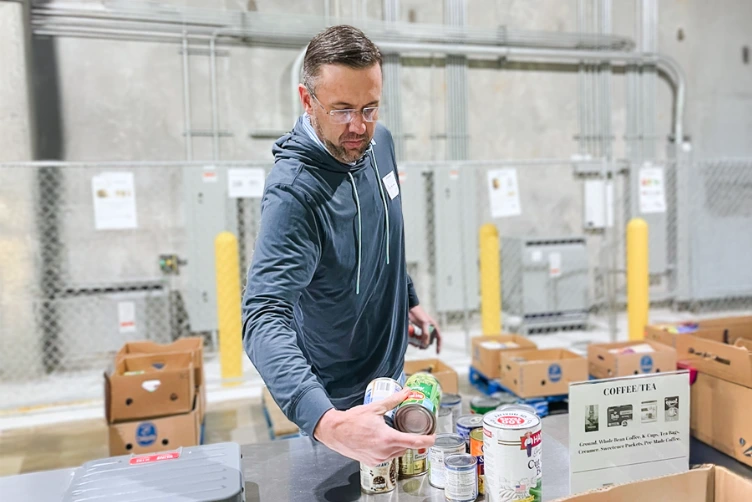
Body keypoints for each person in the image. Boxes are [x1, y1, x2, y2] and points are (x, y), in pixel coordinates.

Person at [242, 25, 441, 466]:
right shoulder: (295, 194)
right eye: (342, 110)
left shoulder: (380, 143)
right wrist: (327, 422)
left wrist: (406, 299)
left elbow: (383, 231)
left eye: (370, 107)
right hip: (340, 401)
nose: (358, 127)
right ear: (307, 99)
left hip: (392, 373)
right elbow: (262, 317)